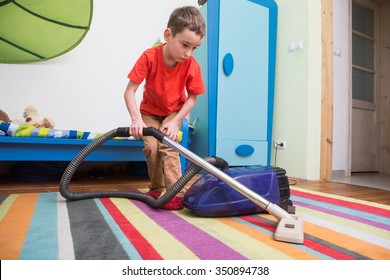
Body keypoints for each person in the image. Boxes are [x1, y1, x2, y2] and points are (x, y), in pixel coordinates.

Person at [124, 6, 206, 210]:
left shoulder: (191, 65)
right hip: (150, 112)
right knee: (151, 148)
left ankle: (176, 193)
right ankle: (156, 186)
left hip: (173, 112)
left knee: (168, 147)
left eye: (194, 48)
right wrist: (136, 119)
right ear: (168, 35)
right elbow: (129, 91)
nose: (188, 53)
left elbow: (192, 98)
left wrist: (176, 121)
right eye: (185, 45)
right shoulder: (150, 57)